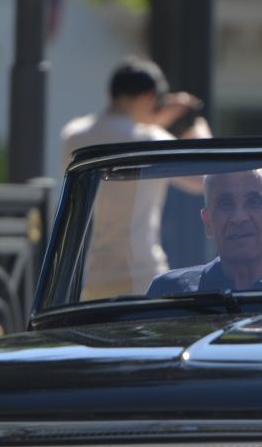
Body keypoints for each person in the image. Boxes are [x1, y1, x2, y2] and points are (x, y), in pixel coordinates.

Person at [59, 57, 211, 299]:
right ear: (149, 97)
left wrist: (155, 121)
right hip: (142, 272)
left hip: (92, 274)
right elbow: (204, 178)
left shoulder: (73, 135)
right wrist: (195, 123)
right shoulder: (150, 139)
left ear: (110, 93)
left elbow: (118, 131)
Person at [148, 166, 262, 293]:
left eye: (254, 203)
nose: (239, 217)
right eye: (225, 204)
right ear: (208, 222)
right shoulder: (170, 291)